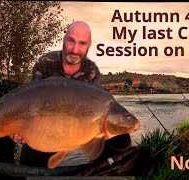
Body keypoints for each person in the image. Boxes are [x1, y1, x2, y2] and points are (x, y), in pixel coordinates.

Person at [9, 21, 132, 167]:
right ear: (64, 39)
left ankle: (104, 169)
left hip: (76, 125)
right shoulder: (45, 63)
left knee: (119, 138)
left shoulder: (91, 70)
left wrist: (80, 134)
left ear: (89, 45)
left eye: (82, 43)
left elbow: (93, 109)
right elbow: (31, 102)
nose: (75, 49)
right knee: (29, 151)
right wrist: (19, 128)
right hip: (45, 121)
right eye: (71, 41)